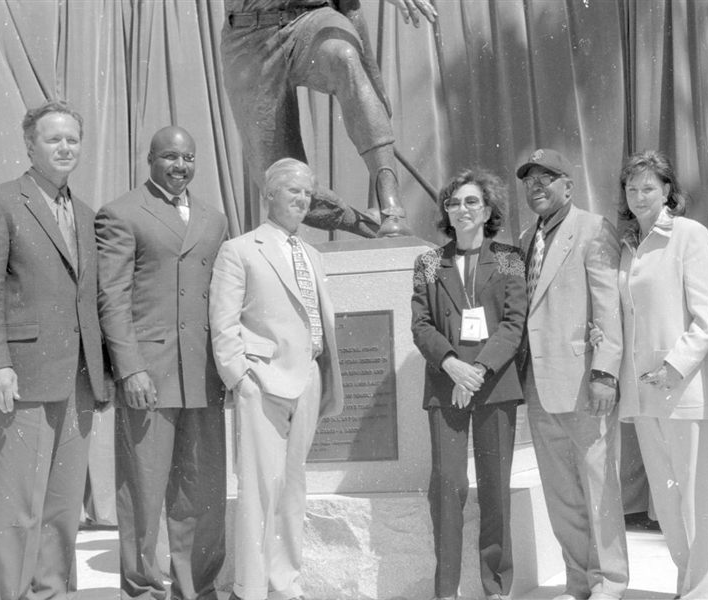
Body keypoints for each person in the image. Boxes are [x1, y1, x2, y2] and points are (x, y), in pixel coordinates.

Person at [96, 126, 228, 599]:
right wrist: (129, 368)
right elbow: (112, 298)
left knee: (204, 494)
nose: (180, 166)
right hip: (147, 377)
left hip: (204, 376)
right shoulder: (121, 213)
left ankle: (197, 589)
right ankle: (143, 590)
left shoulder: (214, 219)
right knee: (144, 494)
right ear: (149, 159)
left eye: (188, 157)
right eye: (170, 156)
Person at [0, 100, 107, 599]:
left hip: (79, 376)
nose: (65, 147)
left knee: (61, 505)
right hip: (27, 372)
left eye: (72, 140)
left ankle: (51, 591)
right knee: (17, 502)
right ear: (29, 145)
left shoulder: (84, 213)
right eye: (53, 139)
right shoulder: (2, 201)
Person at [209, 158, 344, 600]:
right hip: (262, 384)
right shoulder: (241, 249)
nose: (303, 199)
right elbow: (223, 323)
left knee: (292, 487)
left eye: (307, 192)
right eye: (292, 191)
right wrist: (240, 378)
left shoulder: (313, 255)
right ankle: (249, 589)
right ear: (269, 196)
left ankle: (285, 585)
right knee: (259, 490)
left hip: (308, 382)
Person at [594, 150, 708, 598]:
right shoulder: (629, 246)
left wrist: (674, 367)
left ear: (668, 190)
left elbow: (707, 318)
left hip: (682, 390)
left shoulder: (689, 235)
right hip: (643, 395)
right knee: (668, 503)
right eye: (632, 188)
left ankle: (702, 592)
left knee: (694, 501)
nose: (639, 195)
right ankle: (687, 585)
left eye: (649, 187)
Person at [221, 0, 437, 238]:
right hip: (247, 36)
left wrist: (371, 77)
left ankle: (391, 207)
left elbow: (350, 7)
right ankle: (369, 227)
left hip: (311, 19)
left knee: (343, 58)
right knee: (280, 186)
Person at [517, 149, 628, 600]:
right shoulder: (527, 237)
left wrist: (605, 372)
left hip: (585, 382)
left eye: (547, 178)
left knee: (598, 487)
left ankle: (610, 581)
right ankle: (578, 580)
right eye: (529, 180)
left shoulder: (593, 228)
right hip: (538, 385)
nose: (536, 187)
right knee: (561, 493)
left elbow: (608, 304)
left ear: (568, 184)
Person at [411, 168, 527, 600]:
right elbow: (421, 325)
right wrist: (453, 365)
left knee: (495, 486)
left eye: (471, 202)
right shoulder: (427, 263)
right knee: (448, 485)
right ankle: (447, 590)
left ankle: (496, 585)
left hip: (494, 385)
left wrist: (476, 372)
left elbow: (514, 324)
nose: (461, 209)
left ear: (488, 209)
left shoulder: (511, 258)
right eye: (454, 202)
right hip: (447, 387)